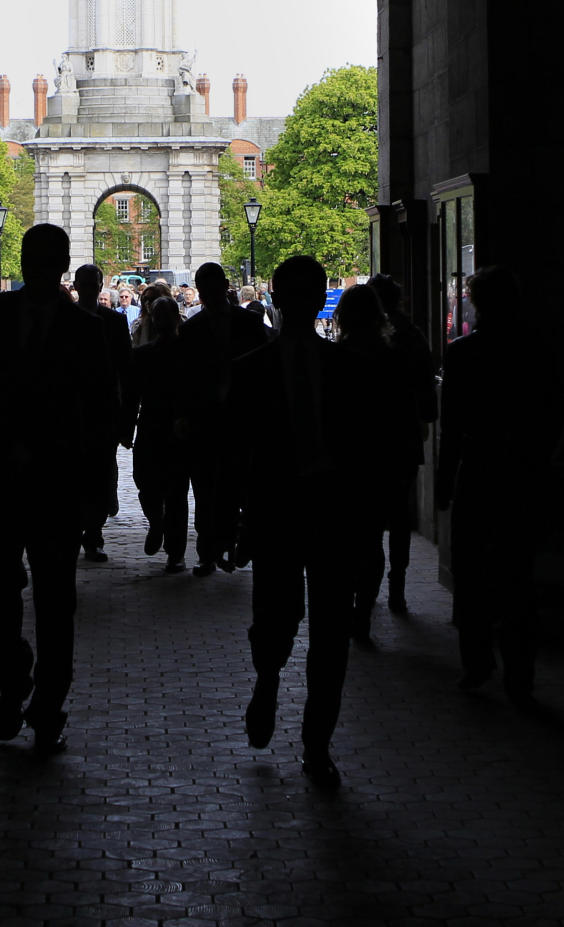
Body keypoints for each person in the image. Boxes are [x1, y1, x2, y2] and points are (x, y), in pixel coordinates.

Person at [0, 224, 105, 754]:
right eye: (31, 257)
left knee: (57, 600)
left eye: (47, 258)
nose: (38, 267)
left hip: (56, 485)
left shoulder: (84, 329)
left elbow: (96, 419)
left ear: (61, 264)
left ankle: (48, 705)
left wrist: (96, 489)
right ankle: (13, 680)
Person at [236, 255, 355, 788]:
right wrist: (241, 519)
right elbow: (238, 456)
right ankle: (267, 679)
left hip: (331, 511)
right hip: (278, 510)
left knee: (331, 633)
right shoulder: (252, 368)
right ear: (280, 299)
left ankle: (317, 744)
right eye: (297, 294)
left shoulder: (345, 367)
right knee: (276, 618)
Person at [437, 265, 563, 705]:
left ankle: (477, 663)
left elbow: (451, 426)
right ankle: (520, 673)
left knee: (471, 575)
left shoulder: (463, 353)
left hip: (479, 469)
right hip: (523, 473)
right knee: (518, 576)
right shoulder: (538, 352)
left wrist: (443, 480)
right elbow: (553, 416)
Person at [331, 283, 421, 643]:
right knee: (377, 538)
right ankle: (370, 605)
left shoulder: (336, 359)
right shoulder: (394, 357)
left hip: (348, 462)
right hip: (388, 459)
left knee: (353, 539)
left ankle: (355, 607)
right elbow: (408, 411)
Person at [179, 261, 268, 575]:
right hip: (206, 423)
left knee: (238, 488)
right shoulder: (190, 330)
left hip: (241, 422)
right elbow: (185, 379)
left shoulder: (252, 324)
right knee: (204, 491)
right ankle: (208, 552)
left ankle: (233, 543)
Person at [368, 273, 438, 611]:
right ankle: (397, 585)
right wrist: (423, 419)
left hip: (368, 440)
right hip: (403, 438)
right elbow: (425, 387)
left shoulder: (365, 339)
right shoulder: (412, 335)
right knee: (399, 518)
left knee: (368, 519)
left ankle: (368, 589)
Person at [73, 263, 135, 561]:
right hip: (71, 411)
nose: (89, 288)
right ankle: (78, 530)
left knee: (99, 473)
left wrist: (126, 420)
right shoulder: (65, 320)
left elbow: (126, 372)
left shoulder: (114, 322)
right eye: (85, 283)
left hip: (103, 411)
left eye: (93, 283)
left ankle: (93, 533)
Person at [129, 296, 189, 574]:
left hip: (160, 427)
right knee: (159, 487)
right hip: (166, 427)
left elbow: (131, 397)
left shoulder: (146, 355)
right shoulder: (148, 355)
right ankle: (161, 526)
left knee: (167, 489)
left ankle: (173, 548)